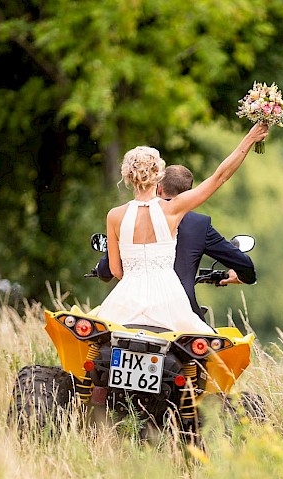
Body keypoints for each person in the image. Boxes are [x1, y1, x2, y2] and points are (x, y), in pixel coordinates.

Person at [93, 122, 269, 332]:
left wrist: (136, 282)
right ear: (158, 176)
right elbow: (219, 177)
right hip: (169, 301)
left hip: (125, 301)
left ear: (127, 176)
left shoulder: (114, 216)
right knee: (206, 352)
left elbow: (114, 270)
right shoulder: (173, 210)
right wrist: (250, 138)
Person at [94, 164, 256, 319]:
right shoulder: (199, 224)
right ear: (189, 194)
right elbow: (245, 265)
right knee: (213, 346)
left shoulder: (131, 216)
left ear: (159, 188)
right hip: (180, 310)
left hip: (131, 307)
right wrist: (241, 276)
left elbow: (106, 270)